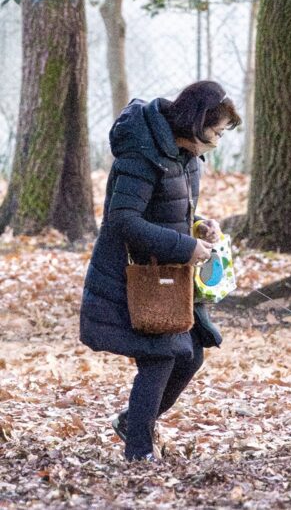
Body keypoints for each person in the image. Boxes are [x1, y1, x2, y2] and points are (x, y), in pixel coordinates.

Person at [79, 80, 241, 461]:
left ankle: (132, 422)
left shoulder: (186, 158)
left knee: (191, 355)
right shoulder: (142, 154)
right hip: (132, 274)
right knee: (162, 356)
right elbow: (122, 221)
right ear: (195, 122)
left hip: (170, 276)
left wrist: (198, 225)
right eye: (215, 131)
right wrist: (186, 247)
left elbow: (168, 209)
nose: (217, 141)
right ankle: (139, 452)